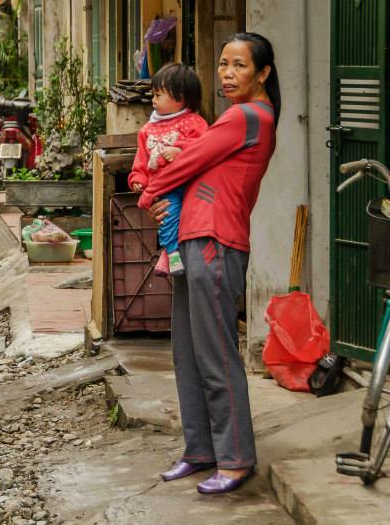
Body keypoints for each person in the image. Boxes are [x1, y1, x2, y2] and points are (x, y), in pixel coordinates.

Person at [136, 32, 280, 494]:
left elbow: (188, 160)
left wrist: (149, 193)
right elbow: (192, 165)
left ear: (262, 74)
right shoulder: (235, 118)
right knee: (186, 353)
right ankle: (199, 450)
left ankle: (236, 459)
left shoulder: (248, 116)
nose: (227, 73)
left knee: (215, 354)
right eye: (223, 64)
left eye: (239, 65)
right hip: (188, 238)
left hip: (215, 241)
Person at [128, 63, 208, 276]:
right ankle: (172, 253)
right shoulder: (147, 130)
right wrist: (138, 178)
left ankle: (169, 255)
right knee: (168, 215)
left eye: (158, 95)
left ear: (180, 97)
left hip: (192, 185)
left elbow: (206, 148)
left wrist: (181, 150)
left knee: (187, 222)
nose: (153, 100)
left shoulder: (195, 122)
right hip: (166, 188)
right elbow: (141, 160)